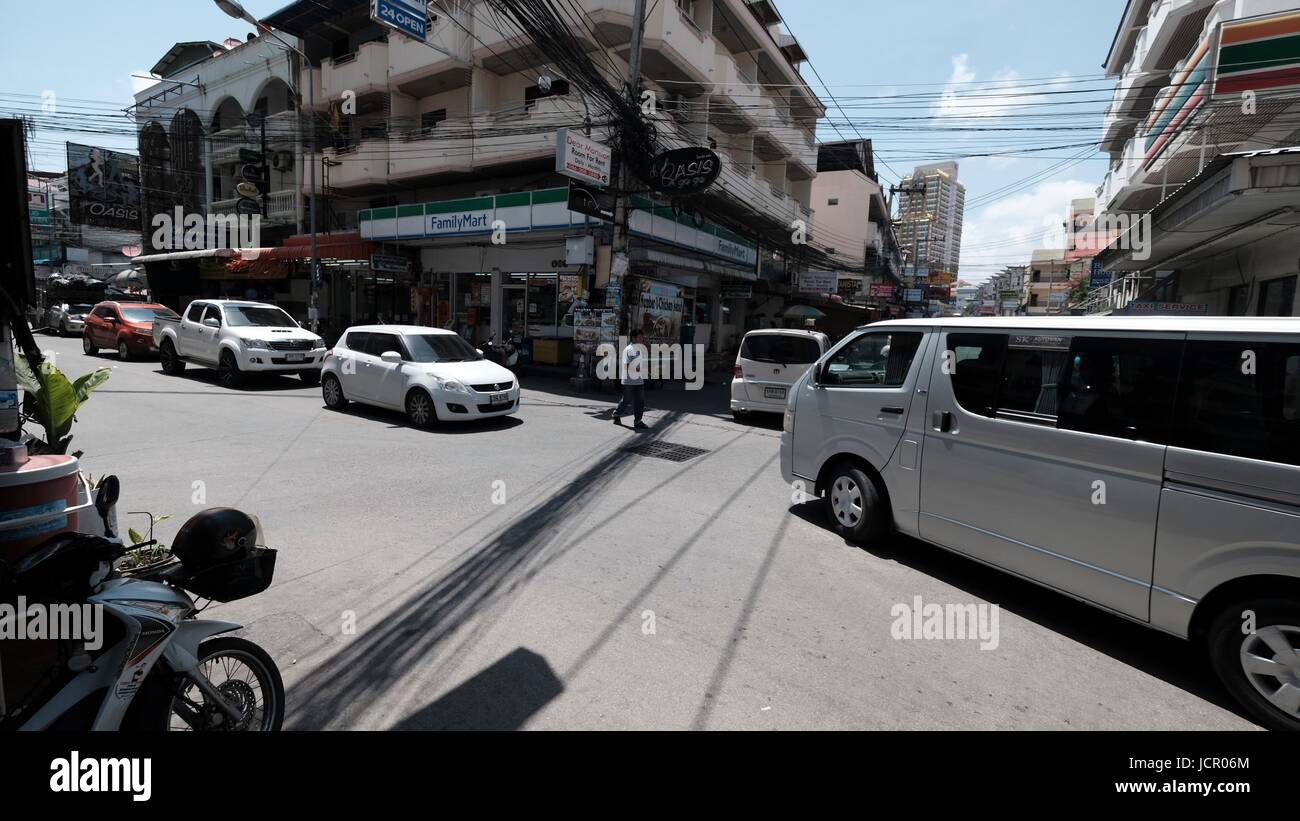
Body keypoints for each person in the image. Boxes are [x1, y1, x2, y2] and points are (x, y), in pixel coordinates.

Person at [613, 329, 649, 430]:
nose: (642, 339)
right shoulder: (628, 349)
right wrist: (638, 369)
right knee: (626, 400)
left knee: (640, 401)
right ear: (634, 338)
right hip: (629, 380)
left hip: (639, 380)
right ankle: (616, 414)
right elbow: (626, 365)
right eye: (640, 337)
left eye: (642, 337)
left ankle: (638, 421)